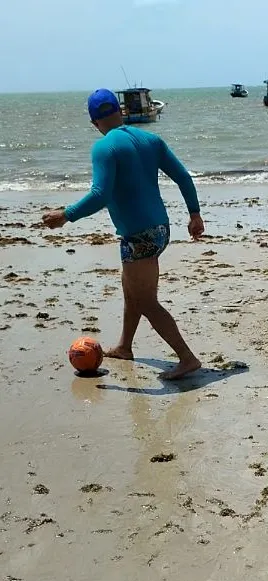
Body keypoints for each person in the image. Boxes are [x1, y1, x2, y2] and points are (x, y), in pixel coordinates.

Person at [42, 89, 204, 380]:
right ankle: (125, 347)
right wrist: (194, 214)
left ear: (94, 122)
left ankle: (187, 358)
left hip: (139, 235)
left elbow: (100, 194)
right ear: (120, 110)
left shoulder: (104, 148)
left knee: (145, 301)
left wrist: (65, 215)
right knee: (132, 292)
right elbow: (183, 177)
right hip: (159, 230)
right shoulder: (151, 140)